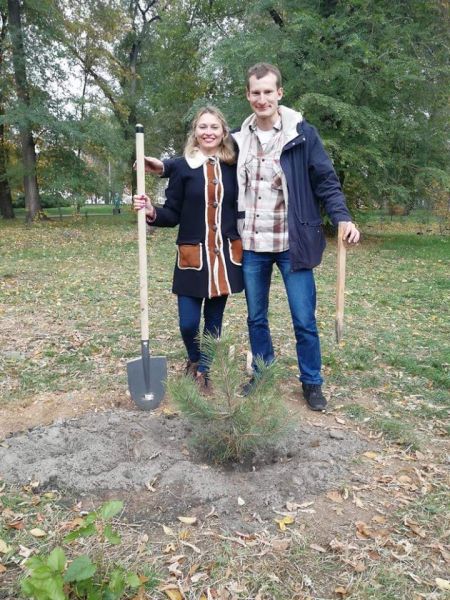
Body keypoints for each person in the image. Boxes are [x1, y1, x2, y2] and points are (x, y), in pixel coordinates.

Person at [232, 62, 360, 410]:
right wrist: (164, 166)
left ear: (280, 93)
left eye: (268, 92)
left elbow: (326, 181)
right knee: (256, 318)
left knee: (303, 318)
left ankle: (312, 382)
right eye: (255, 93)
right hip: (254, 245)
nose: (262, 99)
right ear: (248, 95)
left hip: (294, 244)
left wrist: (343, 217)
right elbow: (202, 154)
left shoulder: (302, 135)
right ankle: (262, 374)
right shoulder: (238, 139)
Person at [133, 106, 244, 390]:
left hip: (224, 258)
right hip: (192, 259)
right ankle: (194, 358)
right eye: (203, 127)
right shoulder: (183, 167)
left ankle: (204, 370)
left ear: (223, 132)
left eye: (214, 127)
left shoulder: (235, 165)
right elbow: (172, 214)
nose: (208, 132)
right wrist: (150, 210)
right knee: (188, 323)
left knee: (214, 322)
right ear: (195, 132)